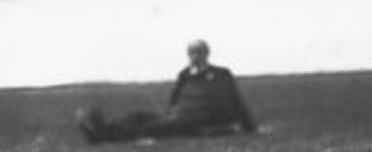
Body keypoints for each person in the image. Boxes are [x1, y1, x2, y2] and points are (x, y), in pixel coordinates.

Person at [77, 39, 257, 143]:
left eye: (197, 52)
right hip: (177, 115)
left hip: (197, 121)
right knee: (139, 116)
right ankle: (103, 127)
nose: (194, 56)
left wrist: (248, 126)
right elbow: (175, 99)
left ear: (206, 54)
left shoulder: (221, 74)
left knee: (151, 128)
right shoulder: (185, 74)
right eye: (191, 53)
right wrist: (170, 113)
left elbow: (236, 100)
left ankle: (103, 135)